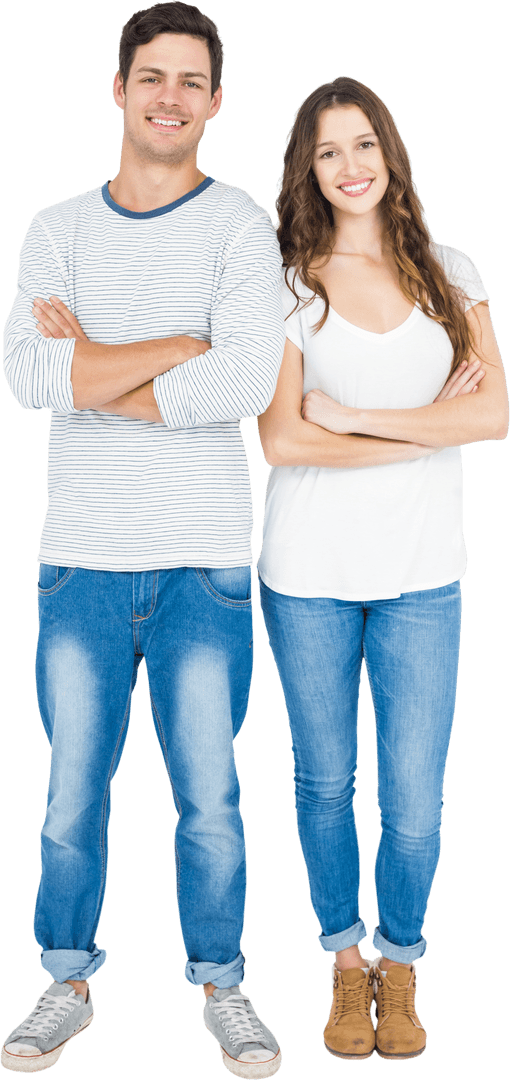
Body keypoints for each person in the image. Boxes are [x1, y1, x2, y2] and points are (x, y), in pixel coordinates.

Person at [1, 3, 284, 1077]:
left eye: (191, 81)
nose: (170, 96)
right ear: (118, 88)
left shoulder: (240, 226)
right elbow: (30, 378)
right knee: (71, 793)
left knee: (211, 797)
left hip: (203, 561)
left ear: (215, 103)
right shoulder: (55, 230)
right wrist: (173, 346)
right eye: (151, 76)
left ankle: (225, 988)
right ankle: (64, 982)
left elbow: (247, 381)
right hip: (77, 559)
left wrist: (99, 370)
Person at [257, 76, 508, 1062]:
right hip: (307, 576)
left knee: (412, 796)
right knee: (324, 784)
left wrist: (352, 418)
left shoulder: (451, 272)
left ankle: (400, 965)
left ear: (390, 156)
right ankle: (343, 962)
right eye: (328, 152)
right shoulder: (286, 283)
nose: (349, 165)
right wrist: (424, 431)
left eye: (363, 144)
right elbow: (281, 441)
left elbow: (491, 416)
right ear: (308, 172)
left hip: (419, 575)